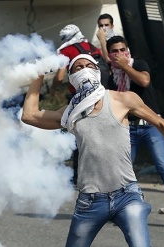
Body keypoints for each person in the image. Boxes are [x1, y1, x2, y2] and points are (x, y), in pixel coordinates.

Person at [21, 54, 164, 247]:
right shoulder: (69, 113)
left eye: (89, 65)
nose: (84, 70)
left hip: (127, 195)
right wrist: (37, 75)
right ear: (71, 78)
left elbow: (160, 123)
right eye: (78, 68)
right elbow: (29, 116)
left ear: (97, 71)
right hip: (90, 201)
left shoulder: (123, 99)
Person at [107, 35, 164, 229]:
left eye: (122, 50)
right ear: (110, 55)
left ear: (127, 50)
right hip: (128, 128)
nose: (119, 54)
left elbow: (144, 81)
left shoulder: (138, 64)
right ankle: (125, 211)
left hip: (152, 126)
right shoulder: (112, 77)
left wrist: (126, 67)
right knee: (123, 172)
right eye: (115, 51)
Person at [49, 24, 108, 185]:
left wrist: (52, 90)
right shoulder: (90, 46)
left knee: (78, 137)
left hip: (80, 98)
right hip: (103, 96)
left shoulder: (66, 51)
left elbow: (60, 77)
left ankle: (78, 175)